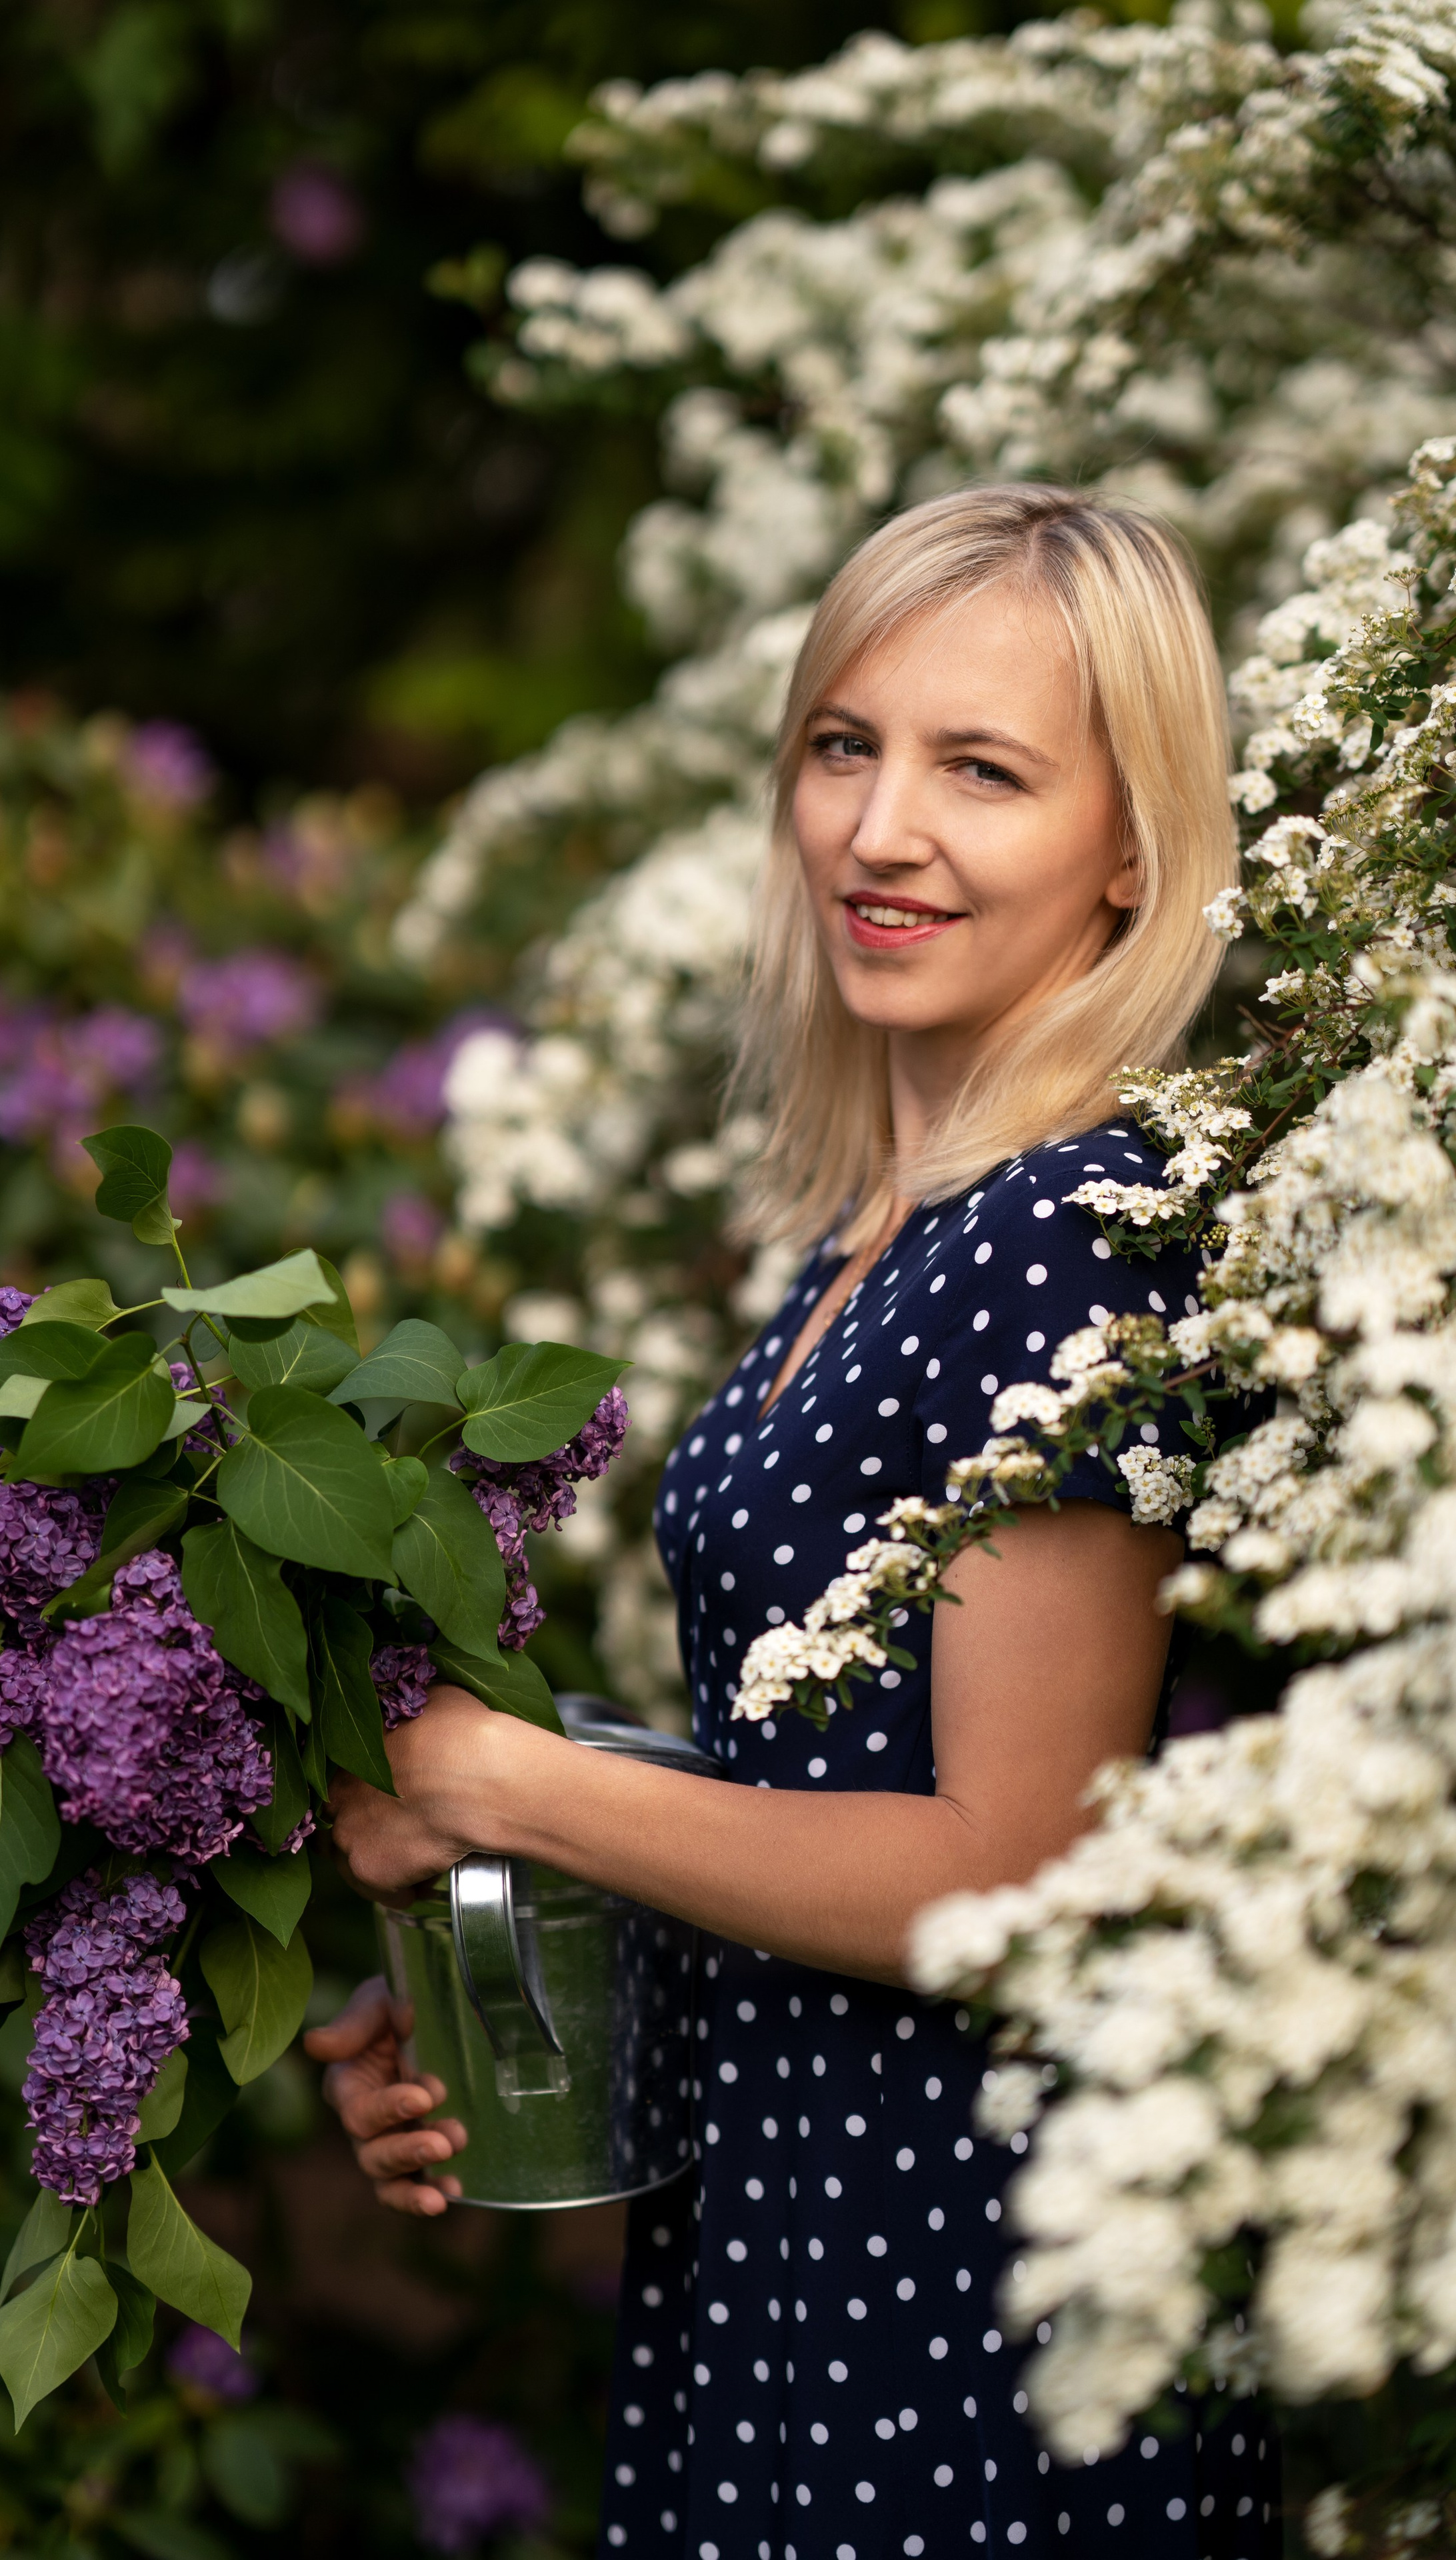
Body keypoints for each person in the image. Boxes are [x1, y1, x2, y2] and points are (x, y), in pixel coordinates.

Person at [307, 483, 1279, 2560]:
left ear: (1131, 850)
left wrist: (504, 1778)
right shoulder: (882, 1232)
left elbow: (1008, 1869)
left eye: (982, 771)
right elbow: (810, 1787)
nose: (880, 828)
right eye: (846, 745)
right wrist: (492, 1988)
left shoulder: (1072, 1243)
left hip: (965, 2325)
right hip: (788, 2269)